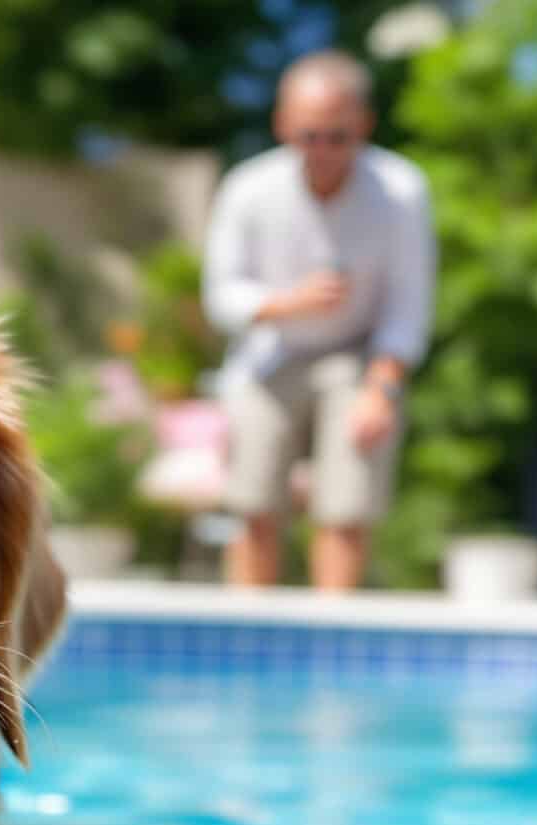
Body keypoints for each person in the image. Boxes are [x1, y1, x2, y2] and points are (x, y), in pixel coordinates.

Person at [201, 50, 436, 590]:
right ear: (283, 124)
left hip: (358, 357)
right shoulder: (248, 188)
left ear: (365, 125)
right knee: (253, 503)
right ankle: (249, 628)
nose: (323, 150)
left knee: (345, 508)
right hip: (267, 356)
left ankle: (333, 630)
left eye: (338, 136)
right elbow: (222, 297)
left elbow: (407, 307)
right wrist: (291, 303)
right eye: (310, 135)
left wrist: (382, 389)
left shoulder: (402, 190)